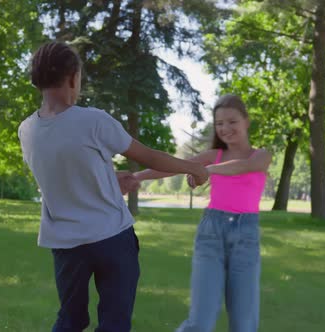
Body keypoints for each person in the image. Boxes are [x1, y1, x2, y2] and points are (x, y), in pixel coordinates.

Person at [18, 41, 208, 332]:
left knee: (70, 320)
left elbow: (66, 172)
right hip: (112, 239)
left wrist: (107, 176)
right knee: (114, 323)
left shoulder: (27, 130)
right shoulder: (93, 120)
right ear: (72, 78)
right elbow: (150, 156)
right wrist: (192, 167)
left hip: (66, 247)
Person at [134, 94, 272, 332]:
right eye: (219, 124)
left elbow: (244, 167)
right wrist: (136, 177)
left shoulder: (261, 155)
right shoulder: (213, 155)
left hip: (246, 237)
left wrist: (204, 171)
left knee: (244, 324)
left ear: (246, 121)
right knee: (200, 322)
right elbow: (173, 166)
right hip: (211, 234)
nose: (225, 128)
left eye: (232, 121)